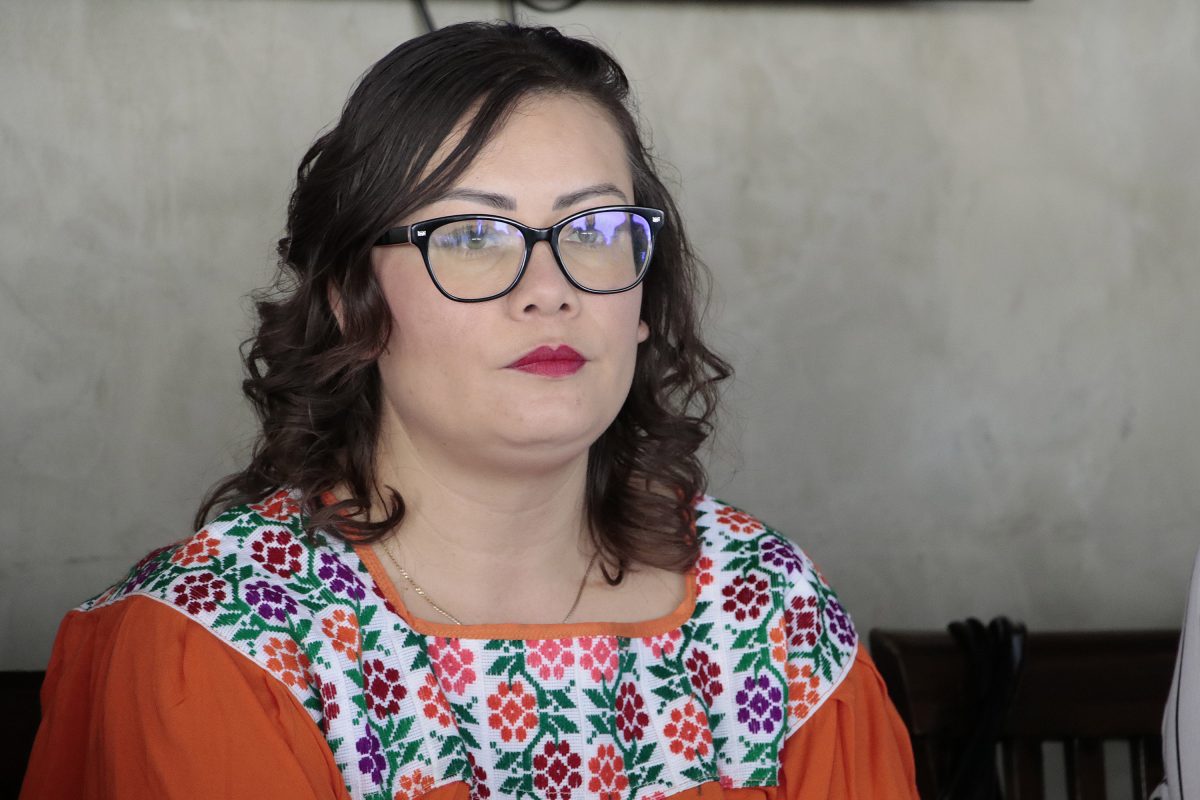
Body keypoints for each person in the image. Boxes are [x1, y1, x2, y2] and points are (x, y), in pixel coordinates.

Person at [21, 22, 918, 800]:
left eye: (596, 230)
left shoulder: (770, 610)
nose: (550, 289)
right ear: (352, 302)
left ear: (644, 302)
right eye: (473, 235)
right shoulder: (221, 636)